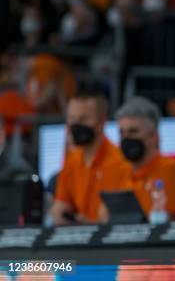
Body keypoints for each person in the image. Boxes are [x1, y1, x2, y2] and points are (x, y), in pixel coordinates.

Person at [51, 91, 131, 225]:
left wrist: (89, 224)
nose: (76, 124)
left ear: (101, 123)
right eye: (71, 118)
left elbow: (118, 219)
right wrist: (60, 215)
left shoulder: (120, 162)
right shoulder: (71, 159)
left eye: (83, 119)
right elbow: (60, 205)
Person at [115, 96, 175, 221]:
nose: (126, 138)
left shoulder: (170, 169)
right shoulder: (120, 171)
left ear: (153, 136)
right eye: (122, 133)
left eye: (133, 131)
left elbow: (163, 221)